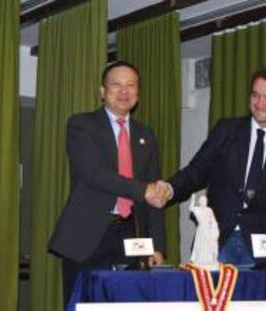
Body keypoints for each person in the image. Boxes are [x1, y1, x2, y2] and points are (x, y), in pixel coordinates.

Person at [159, 66, 266, 267]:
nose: (260, 104)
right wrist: (169, 188)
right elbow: (196, 171)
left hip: (262, 254)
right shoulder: (226, 130)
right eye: (255, 95)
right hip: (215, 241)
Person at [48, 61, 166, 307]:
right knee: (84, 305)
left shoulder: (147, 135)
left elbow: (154, 197)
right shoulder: (82, 125)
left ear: (138, 93)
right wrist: (143, 189)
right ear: (103, 91)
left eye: (130, 86)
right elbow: (93, 173)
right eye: (116, 85)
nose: (124, 91)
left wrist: (158, 245)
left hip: (132, 236)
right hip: (87, 237)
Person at [189, 195, 219, 269]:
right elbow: (190, 208)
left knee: (209, 246)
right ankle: (200, 260)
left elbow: (213, 220)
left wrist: (214, 228)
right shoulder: (197, 209)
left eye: (205, 201)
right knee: (201, 245)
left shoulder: (209, 210)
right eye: (202, 201)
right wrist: (193, 199)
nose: (204, 202)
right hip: (201, 229)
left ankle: (209, 260)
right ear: (200, 202)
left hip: (208, 229)